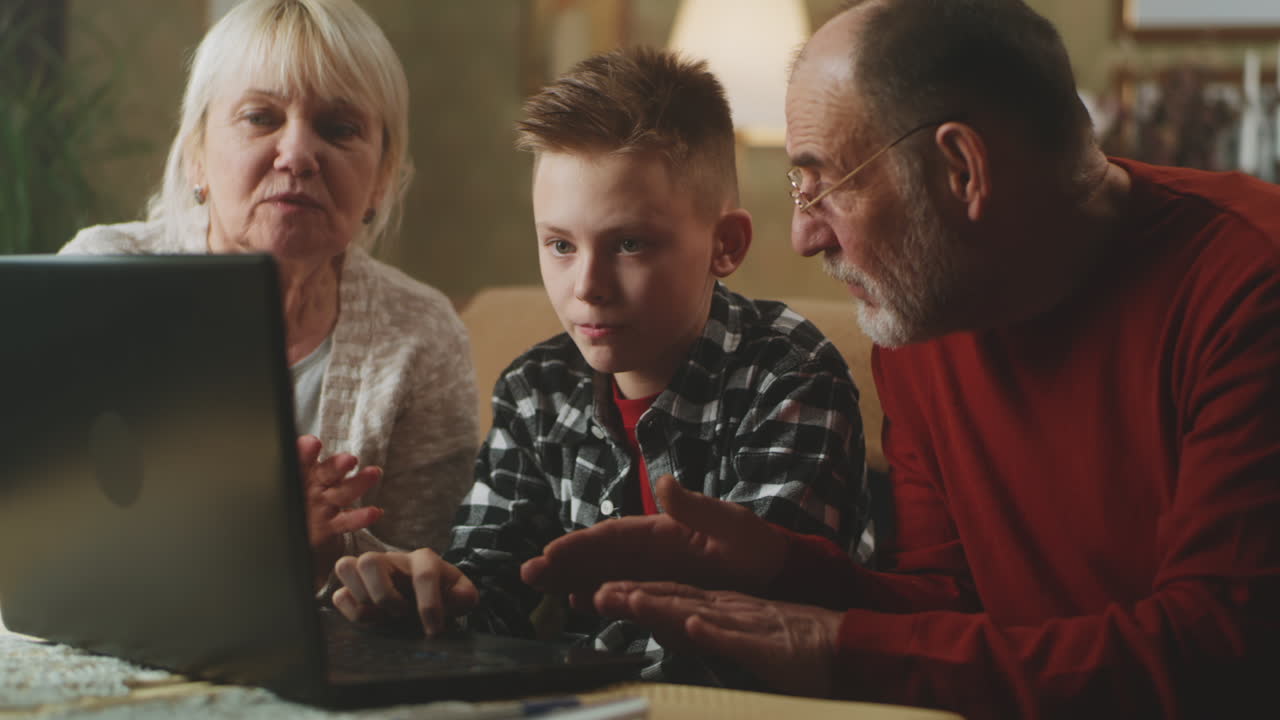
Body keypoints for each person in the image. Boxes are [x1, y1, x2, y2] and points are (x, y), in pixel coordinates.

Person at [519, 1, 1280, 717]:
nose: (803, 237)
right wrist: (779, 568)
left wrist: (838, 649)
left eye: (823, 186)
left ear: (962, 170)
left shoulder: (1248, 287)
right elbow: (946, 609)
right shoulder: (921, 320)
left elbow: (1217, 654)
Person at [331, 46, 872, 683]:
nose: (587, 285)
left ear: (726, 245)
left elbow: (753, 633)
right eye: (560, 244)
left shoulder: (791, 376)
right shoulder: (535, 390)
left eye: (630, 244)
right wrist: (431, 600)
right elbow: (488, 589)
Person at [59, 0, 479, 589]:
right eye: (261, 118)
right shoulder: (97, 280)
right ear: (197, 155)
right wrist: (252, 536)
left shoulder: (421, 333)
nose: (298, 154)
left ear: (383, 177)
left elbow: (430, 571)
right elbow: (46, 526)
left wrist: (328, 556)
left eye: (339, 129)